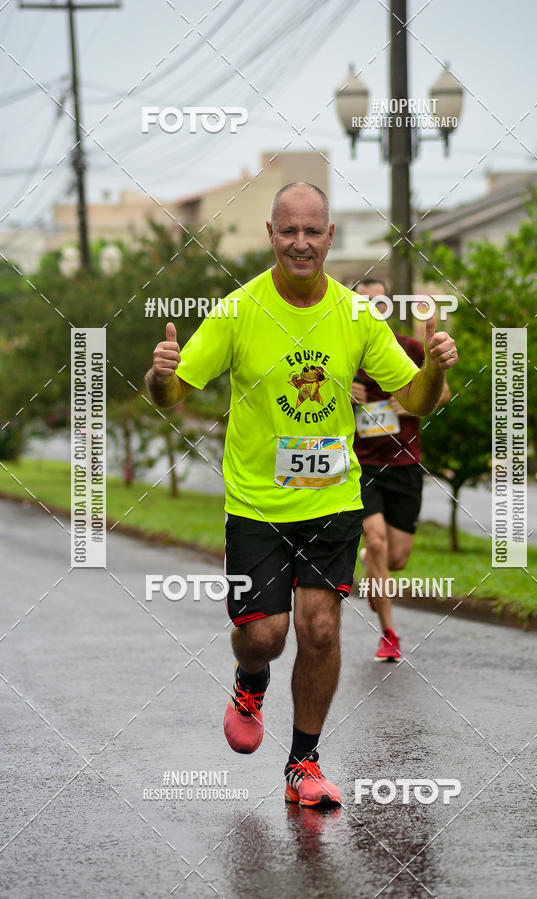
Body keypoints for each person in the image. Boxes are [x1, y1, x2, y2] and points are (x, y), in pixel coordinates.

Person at [145, 183, 458, 808]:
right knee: (265, 635)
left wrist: (435, 369)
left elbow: (416, 401)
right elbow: (172, 395)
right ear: (271, 234)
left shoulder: (356, 316)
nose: (300, 242)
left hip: (332, 500)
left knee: (319, 631)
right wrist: (160, 375)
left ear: (330, 237)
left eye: (313, 231)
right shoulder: (238, 311)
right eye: (288, 230)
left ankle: (303, 764)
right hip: (255, 505)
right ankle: (250, 679)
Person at [351, 279, 451, 662]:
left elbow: (442, 394)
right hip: (361, 465)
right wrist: (344, 392)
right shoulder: (344, 350)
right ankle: (389, 633)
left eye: (378, 301)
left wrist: (412, 403)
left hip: (405, 463)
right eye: (363, 302)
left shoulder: (408, 347)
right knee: (376, 541)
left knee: (396, 560)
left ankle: (371, 566)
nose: (372, 307)